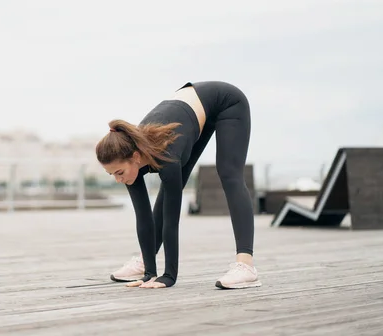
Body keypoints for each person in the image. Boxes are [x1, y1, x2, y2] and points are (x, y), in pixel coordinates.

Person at [95, 81, 262, 289]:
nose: (118, 179)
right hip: (191, 115)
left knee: (229, 174)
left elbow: (171, 221)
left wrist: (168, 277)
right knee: (170, 186)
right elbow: (143, 216)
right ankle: (144, 261)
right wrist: (149, 273)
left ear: (136, 157)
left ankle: (246, 267)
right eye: (112, 175)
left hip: (226, 102)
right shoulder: (127, 156)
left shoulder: (166, 156)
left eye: (119, 173)